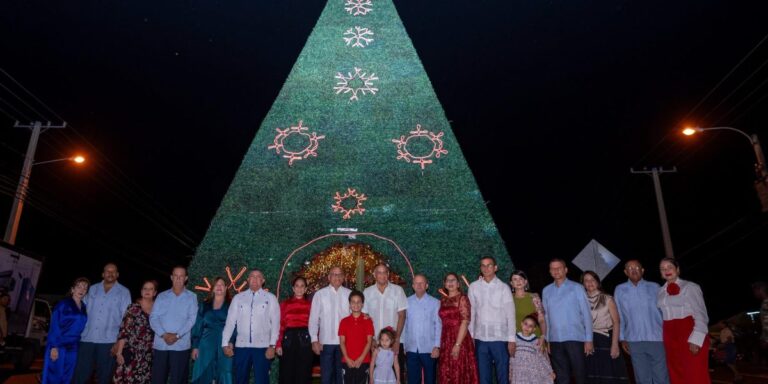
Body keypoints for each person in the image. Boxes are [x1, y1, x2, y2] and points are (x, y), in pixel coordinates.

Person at [74, 263, 132, 384]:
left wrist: (119, 342)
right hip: (87, 339)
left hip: (109, 342)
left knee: (104, 378)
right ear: (103, 274)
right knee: (80, 377)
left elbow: (127, 319)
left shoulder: (124, 292)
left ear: (117, 274)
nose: (110, 274)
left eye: (113, 271)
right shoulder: (91, 289)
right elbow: (79, 308)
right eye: (107, 271)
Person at [614, 260, 669, 384]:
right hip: (634, 340)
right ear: (625, 272)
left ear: (642, 270)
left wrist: (668, 334)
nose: (634, 270)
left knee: (661, 377)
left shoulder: (655, 287)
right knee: (642, 378)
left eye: (637, 267)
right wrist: (622, 338)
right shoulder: (620, 289)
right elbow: (619, 315)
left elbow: (664, 312)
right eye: (630, 268)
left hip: (657, 338)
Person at [657, 257, 710, 384]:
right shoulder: (660, 291)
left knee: (695, 372)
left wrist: (696, 339)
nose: (666, 270)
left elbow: (701, 314)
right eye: (663, 269)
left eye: (670, 267)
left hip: (688, 331)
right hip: (669, 334)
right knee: (676, 372)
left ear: (678, 269)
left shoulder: (690, 287)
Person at [222, 269, 280, 384]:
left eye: (258, 277)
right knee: (240, 380)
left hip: (263, 347)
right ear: (248, 280)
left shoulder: (270, 298)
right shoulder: (238, 298)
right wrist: (224, 343)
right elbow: (230, 322)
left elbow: (275, 324)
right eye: (252, 276)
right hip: (241, 347)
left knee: (262, 381)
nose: (255, 279)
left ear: (263, 281)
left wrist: (272, 345)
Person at [542, 258, 593, 384]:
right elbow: (546, 317)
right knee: (561, 377)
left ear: (565, 270)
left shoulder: (577, 288)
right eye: (553, 268)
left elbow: (586, 314)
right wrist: (548, 340)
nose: (556, 270)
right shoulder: (546, 290)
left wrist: (589, 339)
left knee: (580, 375)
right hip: (555, 340)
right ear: (550, 271)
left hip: (575, 338)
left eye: (559, 268)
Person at [469, 256, 516, 384]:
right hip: (480, 339)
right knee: (483, 378)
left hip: (500, 338)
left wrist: (511, 339)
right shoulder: (473, 287)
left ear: (495, 268)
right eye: (483, 265)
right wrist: (471, 335)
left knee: (503, 376)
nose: (486, 268)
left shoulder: (503, 287)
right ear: (480, 268)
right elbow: (472, 312)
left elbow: (510, 314)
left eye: (489, 265)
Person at [149, 265, 198, 384]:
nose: (178, 279)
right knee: (158, 379)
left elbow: (192, 320)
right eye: (176, 276)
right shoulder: (161, 296)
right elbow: (153, 317)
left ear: (186, 278)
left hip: (180, 346)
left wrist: (177, 335)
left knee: (178, 380)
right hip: (161, 345)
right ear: (171, 277)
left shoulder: (192, 297)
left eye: (181, 276)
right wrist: (164, 335)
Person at [580, 271, 629, 383]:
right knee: (593, 374)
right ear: (583, 284)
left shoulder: (607, 298)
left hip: (605, 339)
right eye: (586, 280)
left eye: (592, 280)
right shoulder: (581, 300)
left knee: (608, 373)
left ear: (597, 282)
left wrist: (615, 344)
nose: (589, 283)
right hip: (588, 340)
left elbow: (616, 322)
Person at [363, 263, 407, 382]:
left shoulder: (398, 290)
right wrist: (371, 339)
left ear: (388, 274)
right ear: (374, 274)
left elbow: (402, 315)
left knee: (396, 375)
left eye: (384, 272)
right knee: (376, 376)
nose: (382, 275)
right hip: (376, 342)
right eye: (379, 272)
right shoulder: (367, 292)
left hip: (394, 342)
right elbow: (365, 317)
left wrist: (396, 339)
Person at [308, 266, 351, 384]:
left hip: (344, 343)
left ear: (343, 277)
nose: (337, 277)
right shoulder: (320, 294)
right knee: (326, 378)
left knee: (342, 378)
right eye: (334, 274)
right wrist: (314, 340)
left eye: (340, 274)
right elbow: (313, 319)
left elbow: (354, 318)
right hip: (325, 343)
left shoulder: (349, 294)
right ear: (329, 277)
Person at [42, 277, 90, 384]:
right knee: (55, 376)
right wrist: (54, 346)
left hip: (74, 345)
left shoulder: (84, 307)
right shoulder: (63, 304)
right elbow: (54, 325)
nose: (82, 290)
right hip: (59, 344)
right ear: (72, 289)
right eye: (79, 286)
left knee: (67, 376)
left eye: (85, 288)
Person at [113, 280, 159, 384]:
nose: (147, 291)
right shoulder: (133, 307)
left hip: (148, 354)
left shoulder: (158, 309)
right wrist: (119, 352)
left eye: (150, 289)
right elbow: (124, 330)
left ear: (155, 293)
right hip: (131, 351)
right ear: (141, 291)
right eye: (145, 288)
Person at [191, 276, 233, 384]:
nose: (219, 287)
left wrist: (232, 341)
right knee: (203, 374)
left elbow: (236, 326)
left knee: (225, 374)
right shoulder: (204, 305)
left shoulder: (232, 305)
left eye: (222, 284)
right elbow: (198, 326)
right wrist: (195, 346)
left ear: (226, 288)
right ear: (213, 288)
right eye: (216, 284)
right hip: (206, 345)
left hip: (225, 345)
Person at [438, 272, 478, 384]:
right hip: (446, 339)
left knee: (458, 370)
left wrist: (457, 344)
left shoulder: (462, 298)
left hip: (460, 338)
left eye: (453, 280)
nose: (450, 283)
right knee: (446, 371)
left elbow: (465, 322)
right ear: (444, 284)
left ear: (458, 284)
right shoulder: (443, 300)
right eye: (448, 280)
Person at [402, 274, 441, 384]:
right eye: (416, 283)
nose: (419, 285)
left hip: (429, 348)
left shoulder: (435, 303)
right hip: (411, 348)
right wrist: (405, 345)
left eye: (421, 283)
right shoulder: (407, 302)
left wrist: (437, 346)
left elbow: (438, 326)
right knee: (413, 380)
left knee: (430, 379)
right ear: (413, 286)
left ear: (426, 285)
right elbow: (405, 324)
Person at [276, 276, 313, 384]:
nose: (299, 288)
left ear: (306, 289)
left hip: (305, 341)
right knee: (287, 372)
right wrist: (278, 344)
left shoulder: (311, 305)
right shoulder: (284, 304)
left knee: (303, 372)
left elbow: (315, 325)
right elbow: (280, 325)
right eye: (297, 286)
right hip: (288, 340)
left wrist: (315, 341)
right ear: (293, 288)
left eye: (302, 286)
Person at [339, 290, 375, 384]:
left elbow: (369, 341)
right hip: (347, 361)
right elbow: (342, 342)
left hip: (363, 361)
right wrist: (347, 358)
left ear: (362, 304)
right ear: (349, 304)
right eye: (353, 302)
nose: (356, 304)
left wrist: (361, 358)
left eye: (359, 302)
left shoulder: (368, 321)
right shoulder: (344, 321)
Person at [509, 315, 555, 384]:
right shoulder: (515, 338)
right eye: (526, 324)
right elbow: (511, 355)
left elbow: (541, 357)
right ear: (521, 324)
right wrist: (510, 371)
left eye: (530, 326)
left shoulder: (536, 341)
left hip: (531, 371)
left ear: (534, 329)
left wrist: (550, 371)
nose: (527, 327)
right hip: (518, 371)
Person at [510, 271, 546, 338]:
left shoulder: (534, 297)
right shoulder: (508, 298)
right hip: (516, 338)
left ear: (525, 281)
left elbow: (541, 319)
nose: (518, 281)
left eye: (520, 278)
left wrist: (543, 336)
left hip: (534, 338)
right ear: (511, 283)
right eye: (515, 279)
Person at [752, 281, 768, 366]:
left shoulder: (766, 303)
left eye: (755, 291)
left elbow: (766, 323)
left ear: (760, 289)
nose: (754, 294)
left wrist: (765, 338)